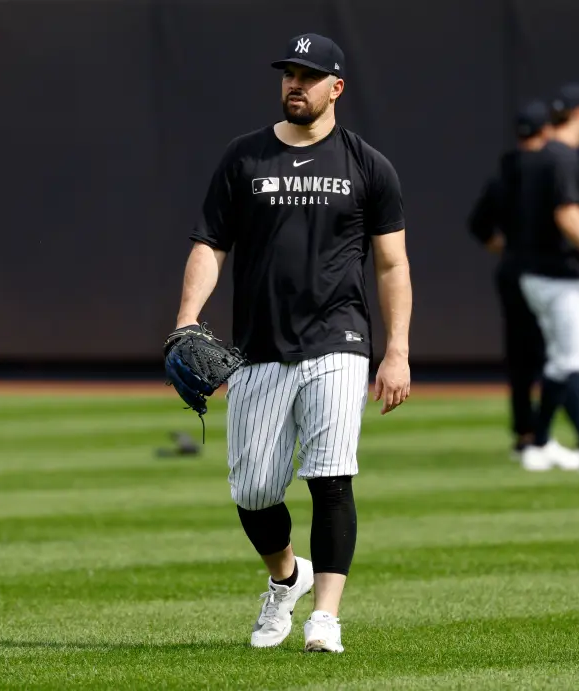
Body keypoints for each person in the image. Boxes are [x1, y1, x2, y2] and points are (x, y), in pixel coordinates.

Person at [174, 32, 412, 653]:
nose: (295, 85)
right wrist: (187, 318)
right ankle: (287, 577)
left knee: (331, 477)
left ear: (336, 88)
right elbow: (209, 245)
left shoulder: (367, 165)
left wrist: (397, 350)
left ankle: (326, 616)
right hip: (258, 349)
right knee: (253, 491)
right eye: (288, 74)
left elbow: (392, 266)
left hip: (341, 339)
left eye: (309, 76)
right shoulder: (243, 158)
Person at [512, 83, 579, 474]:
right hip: (563, 278)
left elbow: (561, 219)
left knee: (561, 362)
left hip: (540, 275)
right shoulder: (562, 158)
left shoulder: (540, 157)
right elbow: (567, 215)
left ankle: (538, 444)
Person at [467, 101, 552, 458]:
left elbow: (478, 224)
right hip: (547, 271)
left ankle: (525, 433)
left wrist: (503, 247)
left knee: (520, 356)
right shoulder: (548, 170)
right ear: (545, 132)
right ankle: (545, 434)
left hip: (513, 269)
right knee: (555, 354)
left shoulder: (504, 173)